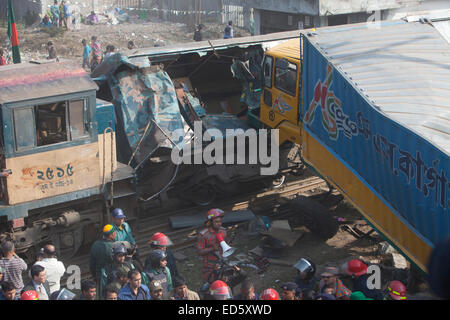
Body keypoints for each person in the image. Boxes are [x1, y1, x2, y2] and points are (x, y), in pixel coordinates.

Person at [197, 208, 229, 282]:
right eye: (216, 222)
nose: (219, 224)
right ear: (210, 222)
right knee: (211, 284)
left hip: (223, 261)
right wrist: (212, 249)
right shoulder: (203, 235)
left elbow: (227, 244)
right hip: (210, 265)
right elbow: (200, 251)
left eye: (220, 221)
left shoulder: (223, 231)